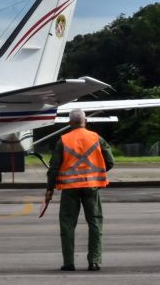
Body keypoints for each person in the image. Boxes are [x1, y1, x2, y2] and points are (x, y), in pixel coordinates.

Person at [45, 109, 114, 272]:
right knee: (95, 222)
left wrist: (50, 188)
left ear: (70, 123)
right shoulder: (97, 138)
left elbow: (54, 168)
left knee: (67, 224)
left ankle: (69, 262)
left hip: (70, 189)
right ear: (85, 121)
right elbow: (110, 162)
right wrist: (96, 174)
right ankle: (94, 261)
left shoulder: (63, 140)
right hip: (91, 187)